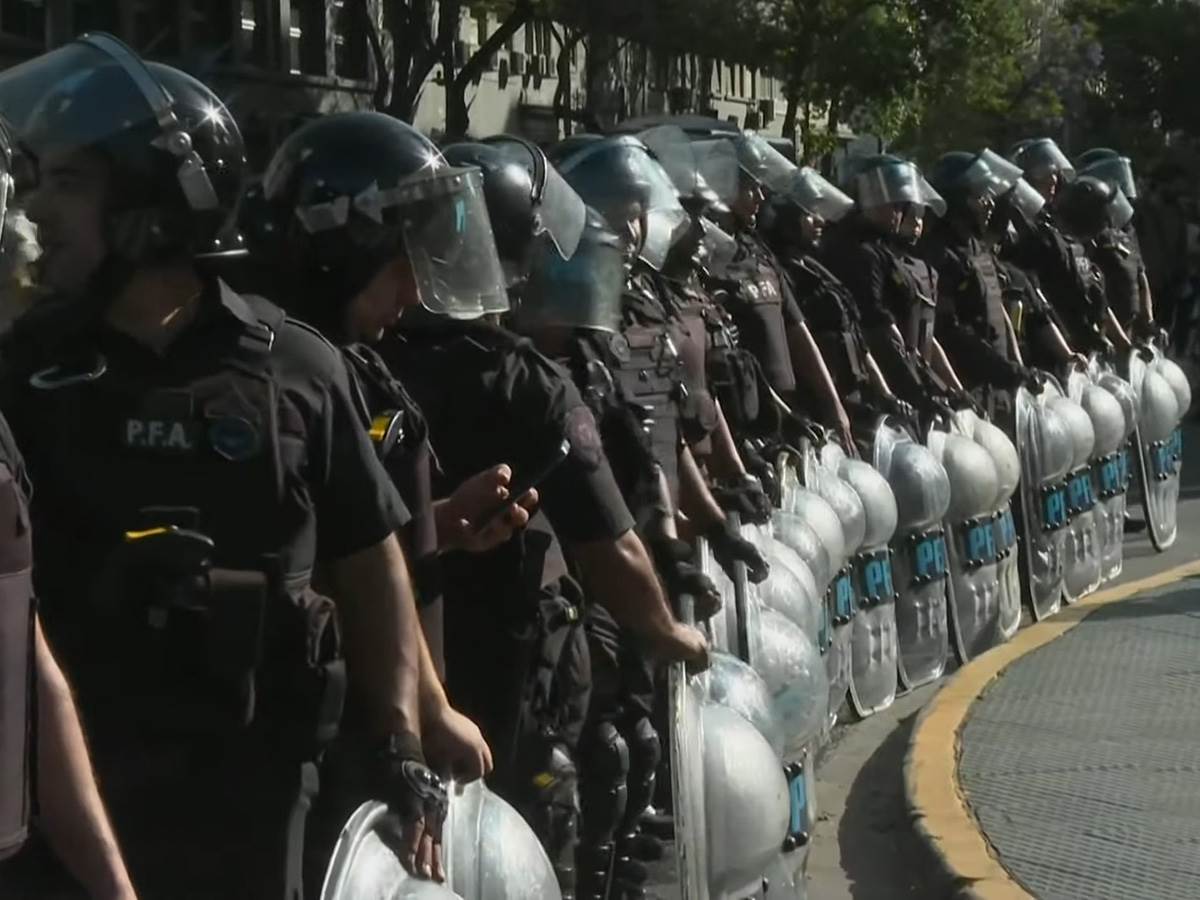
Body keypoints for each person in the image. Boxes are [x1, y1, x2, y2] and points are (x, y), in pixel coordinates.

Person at [0, 36, 465, 898]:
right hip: (71, 801)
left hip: (252, 799)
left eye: (69, 182)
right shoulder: (24, 369)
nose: (39, 207)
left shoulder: (298, 370)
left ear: (153, 202)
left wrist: (401, 742)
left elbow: (370, 562)